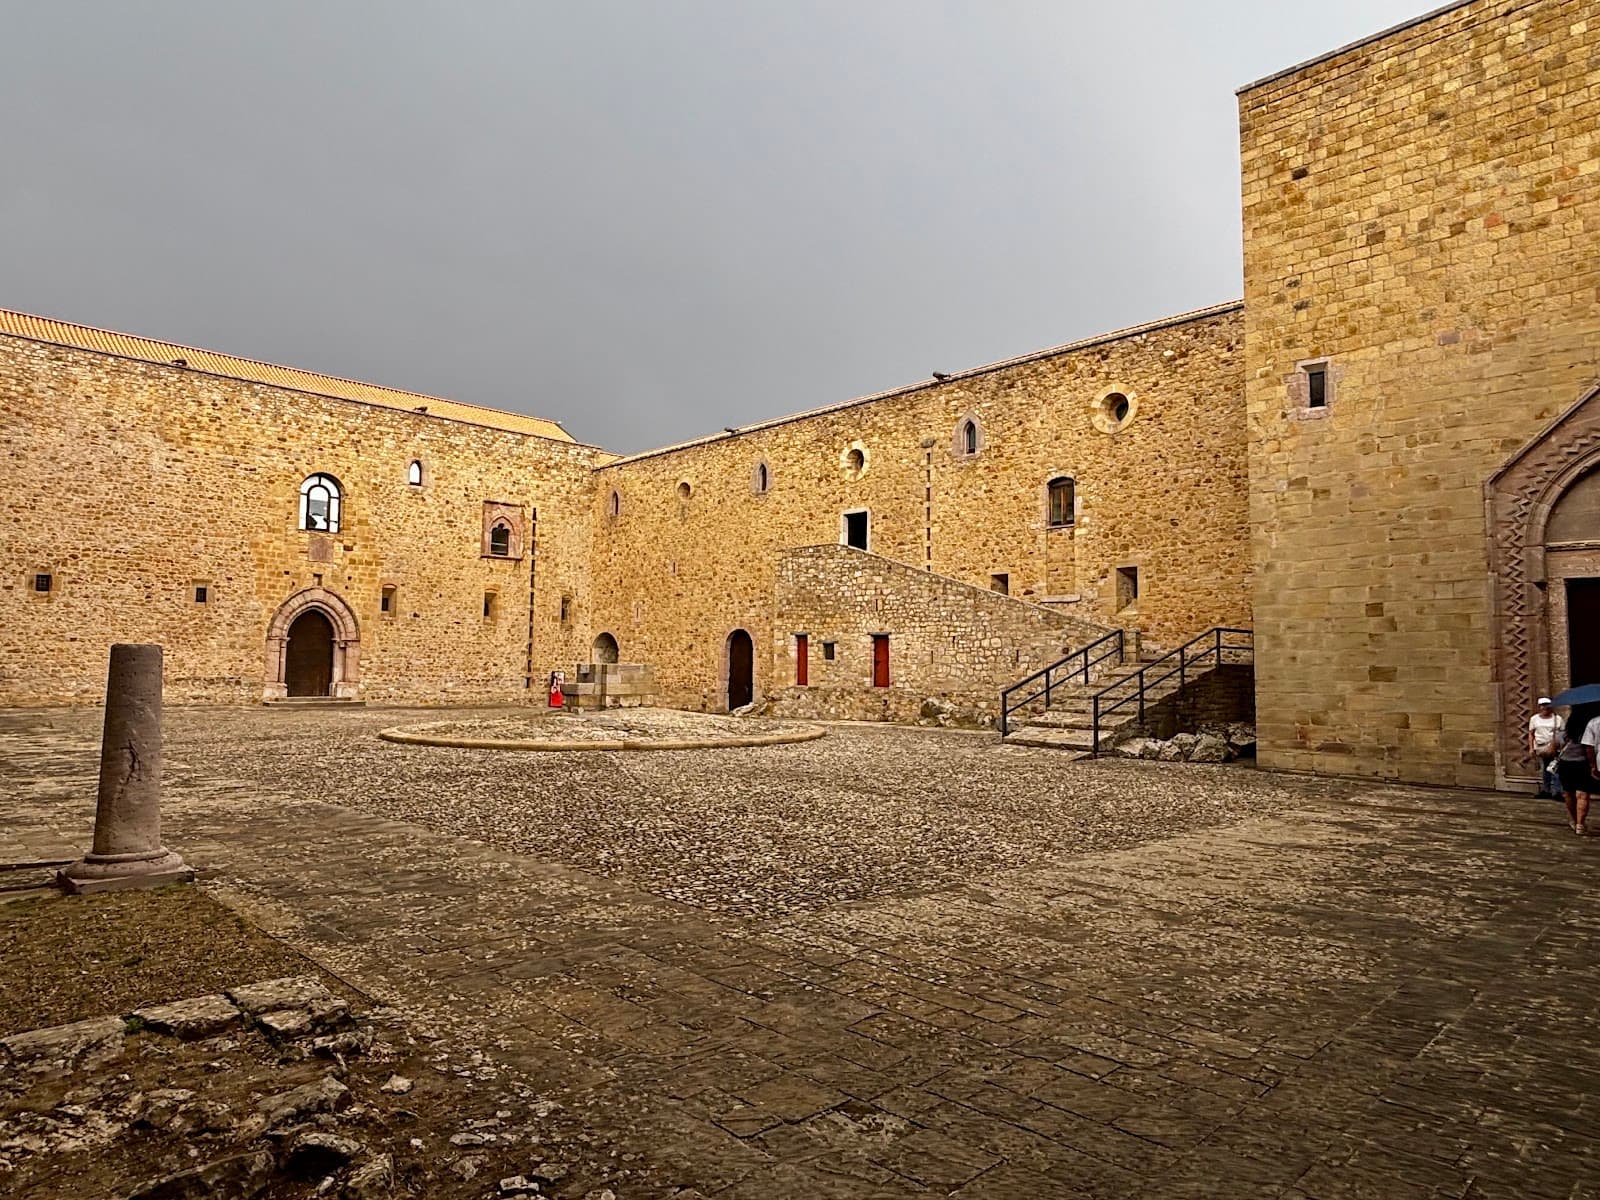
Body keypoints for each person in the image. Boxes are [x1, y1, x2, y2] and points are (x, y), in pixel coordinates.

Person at [1555, 701, 1599, 836]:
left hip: (1565, 763)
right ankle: (1580, 824)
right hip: (1581, 763)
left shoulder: (1566, 732)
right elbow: (1589, 747)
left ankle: (1574, 821)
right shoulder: (1589, 726)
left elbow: (1558, 743)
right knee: (1582, 795)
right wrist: (1592, 766)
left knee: (1568, 793)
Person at [1528, 697, 1565, 799]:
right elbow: (1531, 734)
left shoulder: (1557, 719)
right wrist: (1531, 748)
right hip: (1541, 746)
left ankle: (1557, 792)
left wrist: (1559, 746)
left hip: (1555, 747)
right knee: (1545, 769)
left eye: (1547, 705)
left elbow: (1563, 734)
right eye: (1543, 705)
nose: (1545, 708)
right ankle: (1546, 790)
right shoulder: (1534, 719)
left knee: (1555, 769)